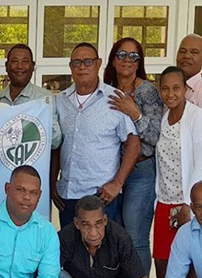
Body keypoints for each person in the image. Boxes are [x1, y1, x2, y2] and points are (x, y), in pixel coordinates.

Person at [53, 42, 140, 228]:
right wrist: (53, 183)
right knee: (70, 254)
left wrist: (117, 183)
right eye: (76, 62)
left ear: (99, 64)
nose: (82, 67)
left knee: (105, 255)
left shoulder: (114, 98)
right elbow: (56, 146)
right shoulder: (59, 101)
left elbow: (133, 143)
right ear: (70, 67)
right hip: (68, 195)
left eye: (88, 61)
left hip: (102, 196)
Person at [104, 38, 165, 274]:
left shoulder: (147, 90)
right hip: (112, 171)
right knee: (114, 232)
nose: (127, 60)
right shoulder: (107, 89)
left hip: (140, 172)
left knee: (135, 235)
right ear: (112, 59)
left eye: (133, 56)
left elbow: (157, 134)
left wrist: (136, 114)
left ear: (140, 62)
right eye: (121, 55)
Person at [151, 67, 202, 278]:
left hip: (185, 203)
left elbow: (200, 164)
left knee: (190, 263)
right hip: (165, 202)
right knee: (161, 260)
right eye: (165, 89)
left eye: (176, 88)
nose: (171, 94)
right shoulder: (164, 117)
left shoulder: (197, 117)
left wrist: (189, 205)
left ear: (186, 89)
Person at [0, 44, 62, 148]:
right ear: (6, 66)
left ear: (33, 67)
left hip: (32, 163)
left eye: (25, 61)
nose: (20, 66)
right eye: (15, 61)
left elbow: (55, 139)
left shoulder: (45, 99)